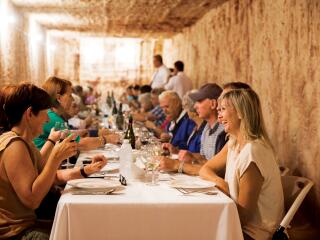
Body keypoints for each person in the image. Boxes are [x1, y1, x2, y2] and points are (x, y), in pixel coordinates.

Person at [0, 84, 107, 239]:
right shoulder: (14, 145)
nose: (48, 118)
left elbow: (48, 176)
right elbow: (32, 200)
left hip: (28, 224)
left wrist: (85, 170)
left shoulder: (24, 142)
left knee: (85, 225)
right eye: (45, 113)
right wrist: (55, 158)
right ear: (30, 113)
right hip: (16, 232)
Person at [200, 89, 284, 240]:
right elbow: (205, 169)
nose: (219, 117)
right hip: (236, 224)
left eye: (223, 110)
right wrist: (220, 182)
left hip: (252, 233)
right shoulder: (234, 143)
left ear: (240, 113)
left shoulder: (253, 151)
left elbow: (243, 217)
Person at [33, 76, 119, 151]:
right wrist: (107, 139)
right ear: (59, 98)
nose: (73, 100)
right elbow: (80, 144)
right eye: (70, 95)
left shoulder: (53, 115)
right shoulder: (51, 118)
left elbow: (69, 135)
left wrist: (80, 133)